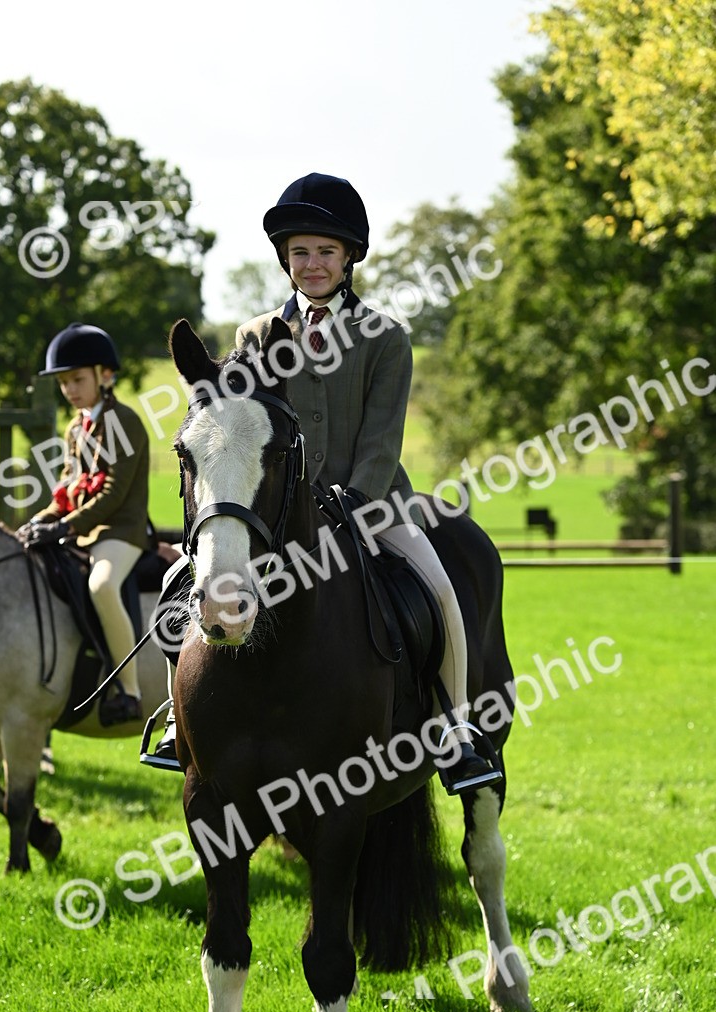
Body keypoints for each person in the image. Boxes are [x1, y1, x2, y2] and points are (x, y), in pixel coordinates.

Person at [144, 173, 501, 794]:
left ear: (349, 259)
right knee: (183, 584)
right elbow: (241, 426)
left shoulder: (384, 338)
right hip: (280, 509)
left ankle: (455, 731)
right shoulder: (254, 335)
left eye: (325, 253)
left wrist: (356, 499)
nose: (312, 264)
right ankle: (182, 720)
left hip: (373, 503)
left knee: (441, 590)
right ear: (286, 259)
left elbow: (383, 438)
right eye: (300, 252)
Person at [18, 322, 151, 726]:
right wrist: (37, 523)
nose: (70, 390)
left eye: (77, 379)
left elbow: (111, 493)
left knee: (102, 585)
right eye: (63, 383)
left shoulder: (124, 421)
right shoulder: (76, 428)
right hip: (84, 529)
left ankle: (130, 692)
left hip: (120, 532)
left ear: (104, 375)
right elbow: (66, 486)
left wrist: (66, 528)